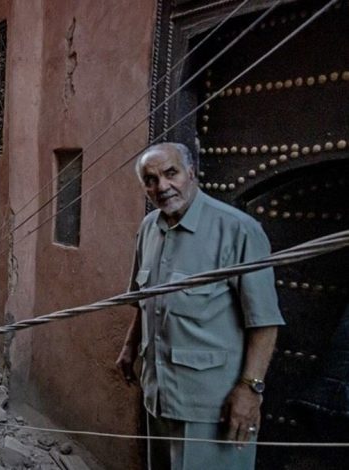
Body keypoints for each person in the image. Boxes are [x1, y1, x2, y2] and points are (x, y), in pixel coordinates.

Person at [116, 142, 285, 469]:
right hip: (159, 396)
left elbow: (264, 322)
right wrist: (129, 345)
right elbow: (143, 300)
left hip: (212, 407)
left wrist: (250, 390)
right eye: (150, 180)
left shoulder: (238, 230)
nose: (162, 186)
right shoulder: (149, 228)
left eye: (170, 173)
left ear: (191, 173)